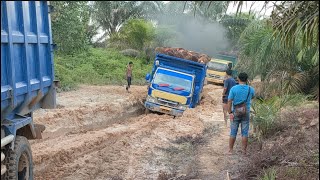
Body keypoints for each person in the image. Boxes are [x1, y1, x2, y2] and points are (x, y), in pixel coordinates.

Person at [227, 72, 255, 155]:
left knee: (233, 132)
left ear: (238, 79)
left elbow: (229, 101)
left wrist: (230, 112)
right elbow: (252, 97)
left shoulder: (234, 89)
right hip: (246, 112)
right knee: (245, 132)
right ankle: (244, 151)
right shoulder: (251, 89)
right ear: (246, 80)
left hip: (235, 112)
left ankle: (230, 150)